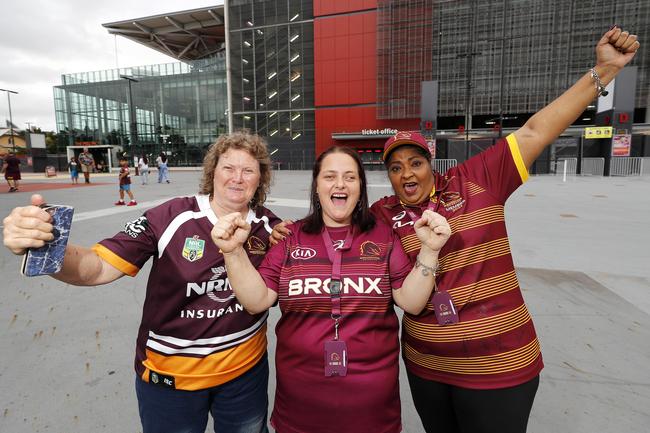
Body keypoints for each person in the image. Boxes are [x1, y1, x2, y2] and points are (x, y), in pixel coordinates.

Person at [271, 27, 640, 433]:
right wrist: (281, 232)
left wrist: (603, 71)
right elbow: (333, 225)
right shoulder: (380, 215)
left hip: (500, 364)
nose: (406, 173)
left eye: (415, 162)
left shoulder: (480, 179)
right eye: (395, 167)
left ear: (432, 164)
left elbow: (537, 130)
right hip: (428, 368)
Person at [2, 132, 281, 433]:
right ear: (213, 171)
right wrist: (46, 244)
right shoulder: (169, 217)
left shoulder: (271, 228)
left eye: (248, 170)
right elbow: (97, 268)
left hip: (245, 374)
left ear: (260, 179)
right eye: (228, 167)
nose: (237, 178)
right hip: (171, 378)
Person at [212, 146, 451, 433]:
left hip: (372, 413)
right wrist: (233, 251)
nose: (340, 184)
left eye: (350, 177)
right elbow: (256, 300)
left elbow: (411, 302)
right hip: (300, 411)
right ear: (317, 186)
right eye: (330, 176)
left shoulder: (383, 236)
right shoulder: (290, 238)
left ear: (360, 187)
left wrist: (430, 250)